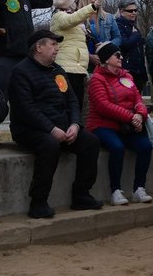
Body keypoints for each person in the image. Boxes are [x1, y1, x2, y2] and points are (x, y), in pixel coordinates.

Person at [10, 29, 103, 218]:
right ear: (39, 47)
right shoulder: (20, 72)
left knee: (91, 141)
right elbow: (26, 109)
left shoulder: (58, 70)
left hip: (62, 127)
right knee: (49, 145)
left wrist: (75, 125)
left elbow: (72, 101)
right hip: (30, 129)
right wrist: (51, 129)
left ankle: (81, 195)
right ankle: (38, 202)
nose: (57, 49)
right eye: (53, 44)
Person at [0, 0, 54, 150]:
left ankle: (23, 136)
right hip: (4, 55)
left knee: (25, 100)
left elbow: (46, 1)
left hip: (25, 56)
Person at [87, 42, 153, 206]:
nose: (121, 57)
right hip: (103, 124)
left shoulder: (127, 76)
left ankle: (139, 188)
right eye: (117, 55)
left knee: (146, 146)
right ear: (106, 59)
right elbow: (103, 106)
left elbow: (137, 99)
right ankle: (115, 191)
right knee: (117, 147)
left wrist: (140, 114)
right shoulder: (96, 79)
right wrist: (131, 117)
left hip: (126, 124)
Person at [50, 0, 98, 115]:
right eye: (74, 0)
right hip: (67, 68)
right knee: (68, 106)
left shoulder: (69, 16)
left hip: (77, 68)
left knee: (77, 104)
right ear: (67, 3)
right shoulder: (59, 16)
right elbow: (72, 20)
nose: (76, 2)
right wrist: (92, 7)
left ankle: (76, 130)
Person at [79, 0, 121, 70]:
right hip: (85, 65)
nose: (97, 0)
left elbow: (118, 38)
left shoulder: (109, 18)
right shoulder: (78, 20)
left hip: (106, 62)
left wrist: (106, 46)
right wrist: (89, 56)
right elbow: (74, 45)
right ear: (85, 0)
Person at [115, 0, 148, 93]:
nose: (134, 13)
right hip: (127, 70)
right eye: (130, 11)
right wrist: (135, 35)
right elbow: (125, 44)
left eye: (135, 10)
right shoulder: (118, 25)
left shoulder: (134, 26)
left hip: (139, 71)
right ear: (121, 12)